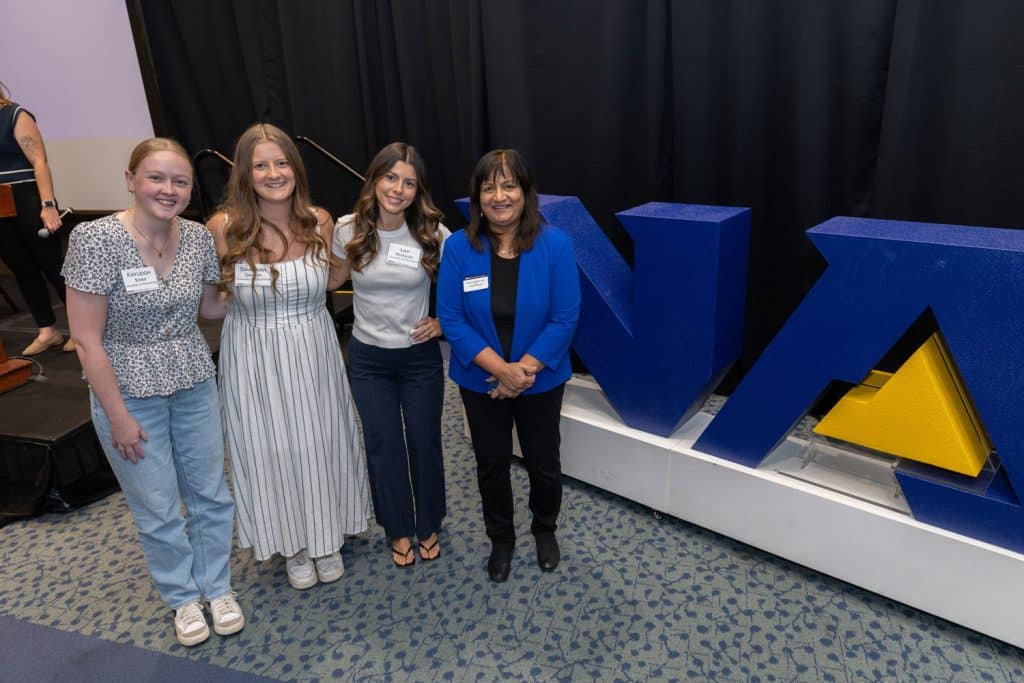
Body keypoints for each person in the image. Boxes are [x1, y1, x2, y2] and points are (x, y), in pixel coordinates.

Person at [63, 138, 243, 647]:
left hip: (191, 380)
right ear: (131, 179)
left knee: (210, 494)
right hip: (127, 389)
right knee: (158, 505)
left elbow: (211, 309)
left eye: (180, 181)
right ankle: (184, 600)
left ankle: (218, 588)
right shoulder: (96, 240)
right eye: (157, 178)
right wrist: (117, 415)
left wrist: (260, 283)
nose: (169, 190)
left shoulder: (197, 238)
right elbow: (85, 340)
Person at [207, 123, 371, 590]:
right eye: (260, 165)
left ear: (295, 169)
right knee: (268, 448)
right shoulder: (222, 228)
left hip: (314, 348)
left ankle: (326, 535)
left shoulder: (319, 220)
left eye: (281, 163)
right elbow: (210, 299)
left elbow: (340, 272)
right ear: (244, 172)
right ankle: (293, 544)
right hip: (254, 353)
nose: (273, 173)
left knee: (321, 440)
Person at [437, 149, 580, 582]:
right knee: (491, 463)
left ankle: (544, 529)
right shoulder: (459, 247)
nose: (499, 195)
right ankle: (501, 539)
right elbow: (452, 318)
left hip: (541, 379)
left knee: (544, 462)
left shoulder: (556, 244)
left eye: (509, 185)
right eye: (489, 187)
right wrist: (502, 371)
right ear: (477, 197)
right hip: (481, 379)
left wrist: (522, 372)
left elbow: (565, 317)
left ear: (525, 192)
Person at [331, 142, 449, 568]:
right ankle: (398, 527)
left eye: (409, 182)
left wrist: (443, 323)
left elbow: (461, 289)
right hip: (368, 362)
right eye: (390, 177)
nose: (398, 189)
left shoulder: (433, 232)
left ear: (419, 191)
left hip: (419, 361)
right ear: (375, 179)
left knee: (424, 442)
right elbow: (327, 283)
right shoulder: (347, 230)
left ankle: (429, 521)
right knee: (383, 446)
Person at [0, 82, 73, 354]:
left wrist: (48, 204)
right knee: (22, 268)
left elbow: (39, 161)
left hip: (28, 197)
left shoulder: (15, 115)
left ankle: (81, 329)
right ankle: (47, 330)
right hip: (0, 205)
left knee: (52, 265)